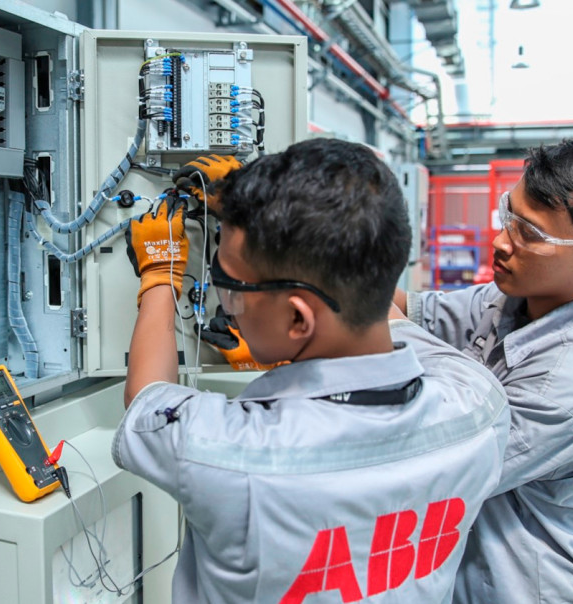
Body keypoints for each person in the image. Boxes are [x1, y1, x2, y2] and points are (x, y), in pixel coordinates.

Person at [114, 138, 509, 603]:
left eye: (230, 288)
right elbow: (383, 312)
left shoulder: (226, 450)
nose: (228, 306)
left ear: (299, 319)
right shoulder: (478, 403)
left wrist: (161, 273)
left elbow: (146, 398)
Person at [395, 132, 573, 603]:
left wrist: (367, 318)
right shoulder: (510, 300)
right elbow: (418, 310)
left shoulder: (572, 378)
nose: (502, 242)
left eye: (530, 234)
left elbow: (444, 465)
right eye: (509, 217)